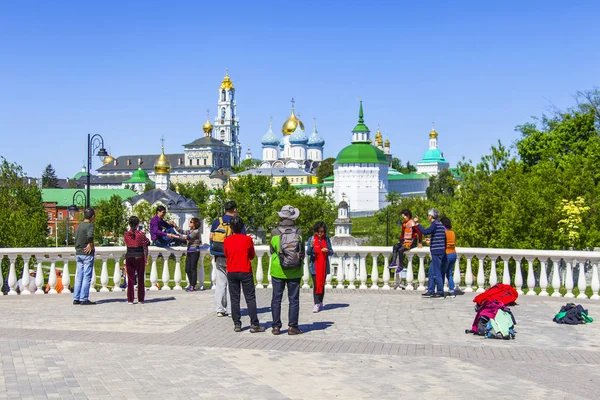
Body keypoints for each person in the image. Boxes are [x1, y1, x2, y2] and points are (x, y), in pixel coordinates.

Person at [224, 216, 265, 333]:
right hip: (245, 270)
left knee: (234, 298)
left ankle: (237, 323)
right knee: (250, 298)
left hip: (232, 270)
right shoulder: (247, 240)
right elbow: (251, 255)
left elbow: (226, 254)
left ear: (231, 228)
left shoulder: (227, 240)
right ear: (241, 227)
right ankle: (254, 324)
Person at [270, 205, 305, 335]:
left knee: (276, 299)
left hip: (278, 270)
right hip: (295, 270)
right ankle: (292, 327)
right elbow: (302, 251)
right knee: (294, 299)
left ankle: (276, 327)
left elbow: (272, 250)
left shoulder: (274, 232)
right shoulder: (299, 232)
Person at [210, 201, 244, 317]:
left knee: (220, 283)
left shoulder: (217, 221)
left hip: (219, 255)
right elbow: (242, 238)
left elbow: (211, 237)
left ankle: (220, 309)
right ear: (234, 210)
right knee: (232, 284)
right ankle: (231, 310)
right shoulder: (237, 222)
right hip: (232, 256)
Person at [415, 208, 446, 298]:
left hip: (437, 251)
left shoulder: (435, 224)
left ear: (431, 216)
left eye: (428, 215)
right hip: (439, 250)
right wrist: (431, 239)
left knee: (437, 272)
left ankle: (440, 291)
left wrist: (417, 224)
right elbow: (440, 237)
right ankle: (430, 290)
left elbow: (425, 231)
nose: (428, 217)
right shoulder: (439, 224)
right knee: (431, 271)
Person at [389, 209, 422, 288]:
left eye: (404, 217)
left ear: (408, 216)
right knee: (396, 247)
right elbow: (402, 234)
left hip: (411, 242)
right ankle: (393, 262)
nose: (403, 218)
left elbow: (419, 233)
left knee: (401, 250)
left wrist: (419, 242)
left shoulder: (412, 223)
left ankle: (400, 265)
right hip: (404, 241)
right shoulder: (404, 224)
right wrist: (400, 242)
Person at [306, 221, 333, 313]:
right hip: (315, 265)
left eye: (322, 232)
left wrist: (327, 251)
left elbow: (331, 251)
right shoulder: (312, 239)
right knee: (316, 284)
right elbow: (308, 253)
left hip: (324, 265)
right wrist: (311, 246)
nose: (320, 234)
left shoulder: (327, 239)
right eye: (318, 232)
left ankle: (320, 302)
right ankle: (316, 303)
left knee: (322, 284)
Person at [123, 215, 150, 304]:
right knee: (140, 278)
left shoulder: (126, 235)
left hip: (129, 256)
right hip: (139, 256)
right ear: (137, 224)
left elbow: (127, 243)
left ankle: (130, 299)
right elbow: (147, 242)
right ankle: (140, 299)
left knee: (130, 279)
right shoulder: (140, 235)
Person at [73, 207, 97, 305]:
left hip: (78, 253)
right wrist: (90, 244)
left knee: (79, 276)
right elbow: (90, 236)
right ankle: (84, 298)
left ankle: (76, 298)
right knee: (87, 276)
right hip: (87, 254)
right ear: (92, 217)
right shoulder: (89, 226)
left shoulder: (79, 226)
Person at [180, 217, 202, 291]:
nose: (190, 223)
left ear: (195, 224)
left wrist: (174, 236)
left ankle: (193, 285)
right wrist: (174, 226)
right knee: (187, 269)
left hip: (195, 251)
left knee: (193, 268)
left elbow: (188, 237)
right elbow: (182, 231)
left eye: (191, 222)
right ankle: (191, 283)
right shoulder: (190, 231)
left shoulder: (196, 231)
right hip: (189, 251)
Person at [441, 216, 457, 298]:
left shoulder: (444, 233)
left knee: (442, 272)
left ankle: (441, 290)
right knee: (449, 273)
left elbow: (442, 244)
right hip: (453, 253)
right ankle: (452, 291)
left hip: (447, 254)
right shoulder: (452, 233)